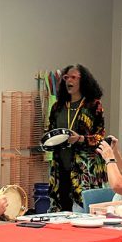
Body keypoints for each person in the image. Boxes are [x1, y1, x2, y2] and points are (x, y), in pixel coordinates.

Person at [45, 65, 106, 214]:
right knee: (62, 207)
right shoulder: (57, 107)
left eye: (73, 77)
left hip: (84, 169)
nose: (69, 81)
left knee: (81, 209)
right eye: (66, 77)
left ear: (83, 80)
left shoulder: (93, 105)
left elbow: (100, 137)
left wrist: (81, 139)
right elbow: (50, 131)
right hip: (61, 165)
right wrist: (48, 141)